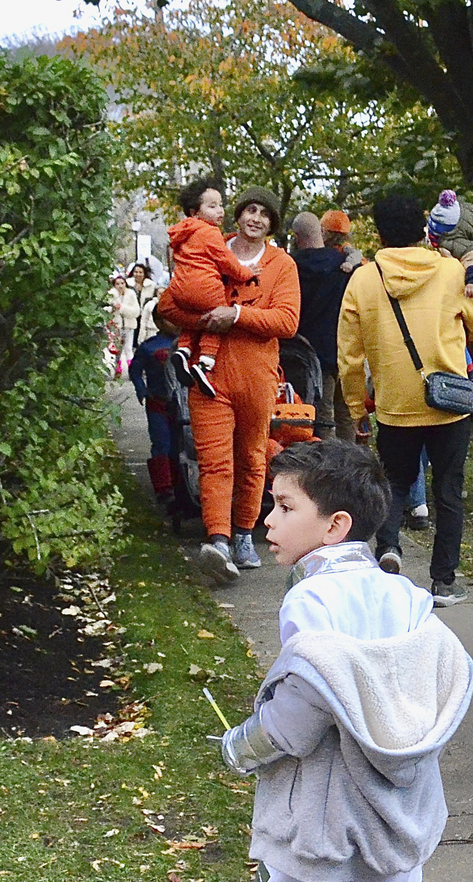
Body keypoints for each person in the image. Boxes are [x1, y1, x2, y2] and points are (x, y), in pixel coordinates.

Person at [220, 439, 473, 882]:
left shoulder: (311, 603)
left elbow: (303, 709)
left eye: (283, 506)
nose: (268, 521)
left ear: (334, 524)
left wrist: (245, 745)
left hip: (327, 807)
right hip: (396, 801)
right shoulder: (406, 596)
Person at [338, 194, 473, 608]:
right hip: (447, 402)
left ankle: (389, 546)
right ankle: (443, 580)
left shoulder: (363, 279)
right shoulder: (448, 271)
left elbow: (349, 355)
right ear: (421, 229)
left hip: (393, 402)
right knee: (448, 489)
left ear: (381, 233)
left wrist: (358, 408)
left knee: (394, 481)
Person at [158, 184, 300, 584]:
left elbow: (287, 322)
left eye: (264, 214)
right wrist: (204, 319)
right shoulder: (206, 244)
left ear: (272, 223)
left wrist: (235, 315)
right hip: (208, 376)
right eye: (249, 210)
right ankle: (217, 541)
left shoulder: (281, 264)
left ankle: (243, 534)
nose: (255, 218)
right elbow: (170, 304)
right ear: (236, 215)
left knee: (253, 458)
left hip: (256, 378)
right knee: (214, 461)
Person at [164, 177, 259, 398]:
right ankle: (205, 363)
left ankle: (184, 350)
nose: (220, 210)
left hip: (180, 287)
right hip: (204, 286)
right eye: (212, 206)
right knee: (217, 317)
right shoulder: (210, 232)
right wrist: (248, 273)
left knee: (195, 312)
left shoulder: (184, 233)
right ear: (195, 212)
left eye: (221, 205)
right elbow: (227, 261)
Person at [290, 211, 362, 438]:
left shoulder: (290, 267)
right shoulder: (345, 265)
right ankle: (350, 465)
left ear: (296, 236)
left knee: (321, 415)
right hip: (343, 349)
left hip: (306, 353)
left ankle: (327, 467)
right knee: (345, 412)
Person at [128, 313, 177, 507]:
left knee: (181, 444)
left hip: (184, 405)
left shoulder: (188, 343)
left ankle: (182, 485)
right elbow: (135, 371)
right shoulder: (149, 347)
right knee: (161, 443)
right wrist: (143, 391)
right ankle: (163, 488)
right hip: (158, 402)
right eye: (168, 319)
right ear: (158, 322)